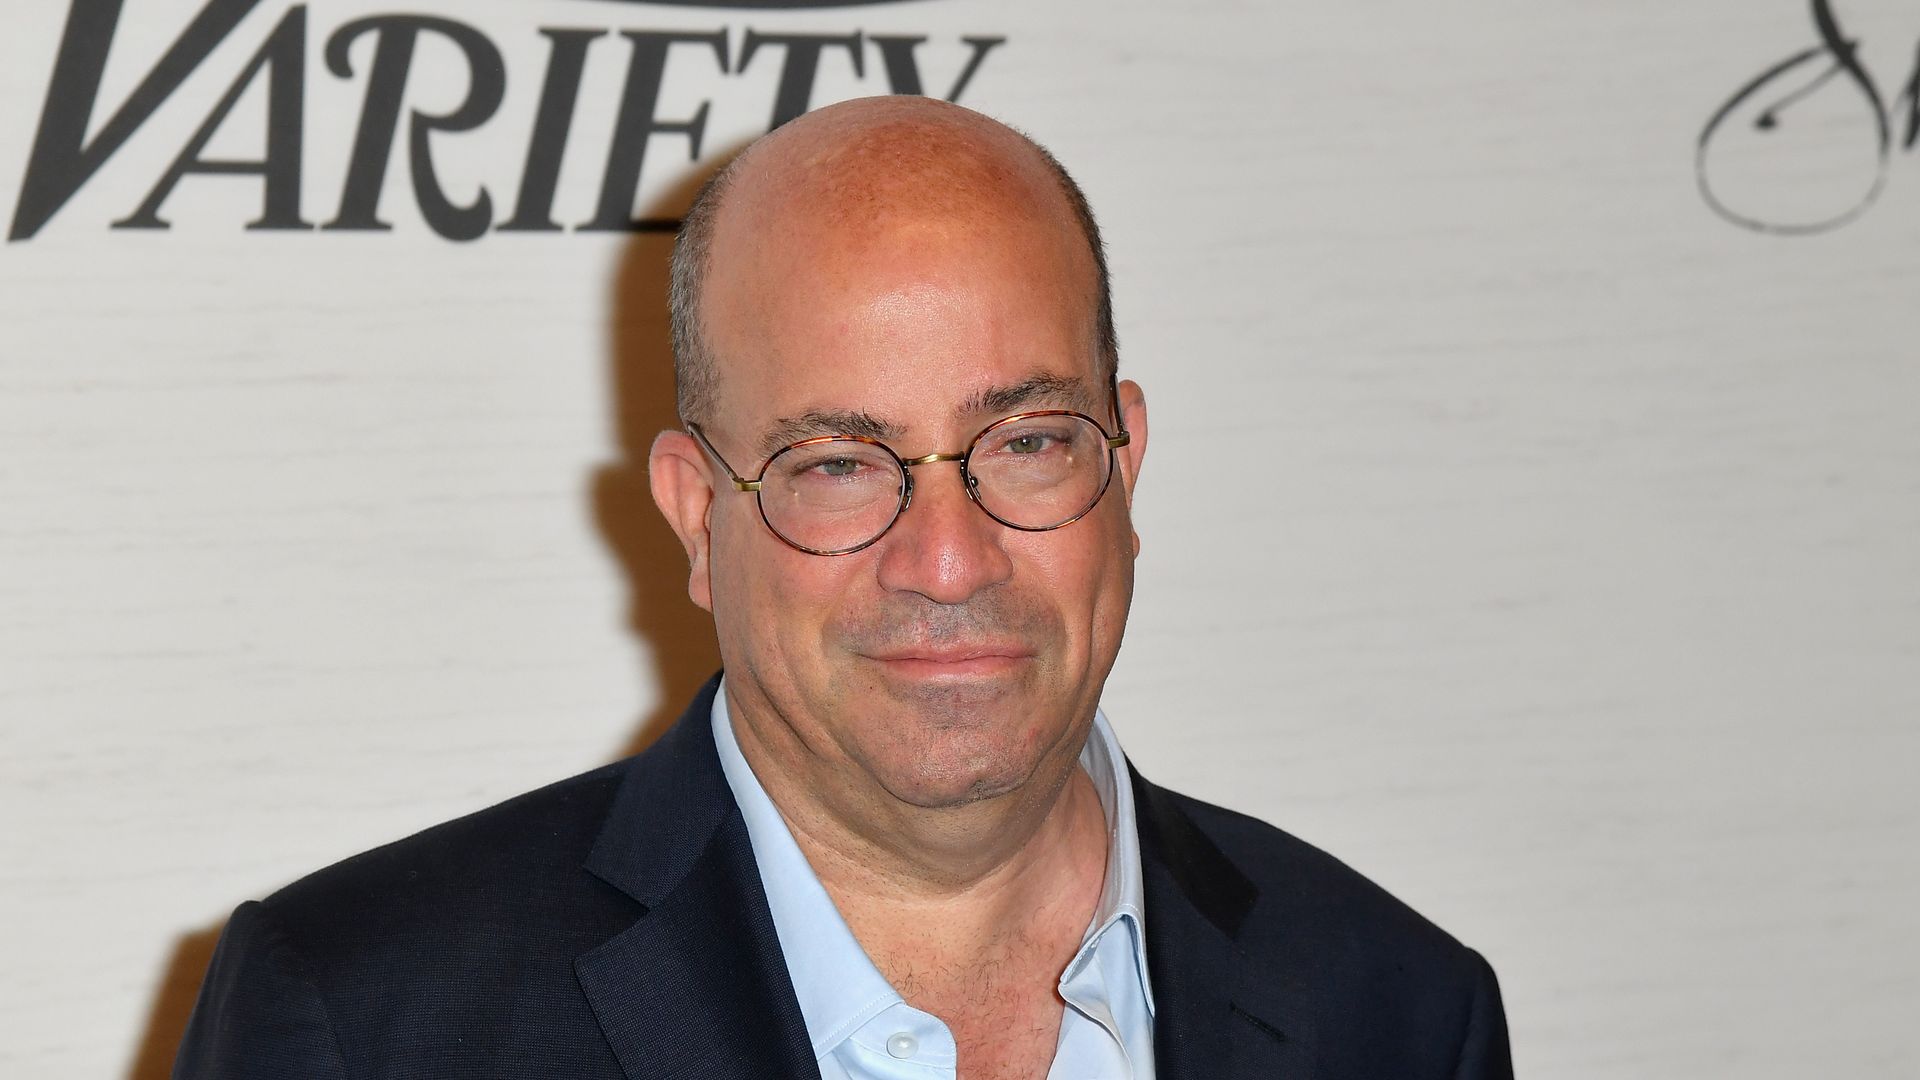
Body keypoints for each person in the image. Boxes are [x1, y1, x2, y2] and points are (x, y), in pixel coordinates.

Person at [175, 96, 1513, 1080]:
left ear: (1127, 466)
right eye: (837, 464)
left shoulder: (1394, 1011)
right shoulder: (367, 1022)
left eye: (1031, 443)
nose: (948, 560)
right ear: (699, 517)